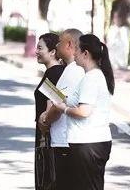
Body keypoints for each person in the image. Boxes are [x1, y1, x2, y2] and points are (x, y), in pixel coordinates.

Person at [52, 34, 114, 190]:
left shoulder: (91, 78)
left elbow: (84, 111)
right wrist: (57, 96)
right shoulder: (90, 76)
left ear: (85, 53)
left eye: (77, 50)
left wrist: (63, 109)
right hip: (89, 143)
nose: (74, 53)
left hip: (89, 144)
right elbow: (72, 99)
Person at [38, 28, 84, 190]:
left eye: (59, 42)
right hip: (63, 140)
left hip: (65, 141)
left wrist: (45, 119)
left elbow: (56, 106)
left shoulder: (66, 72)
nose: (57, 46)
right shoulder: (66, 71)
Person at [33, 33, 65, 189]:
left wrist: (44, 129)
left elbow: (51, 106)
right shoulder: (54, 71)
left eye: (40, 48)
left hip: (47, 135)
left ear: (53, 52)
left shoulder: (54, 73)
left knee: (46, 179)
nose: (36, 51)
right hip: (48, 134)